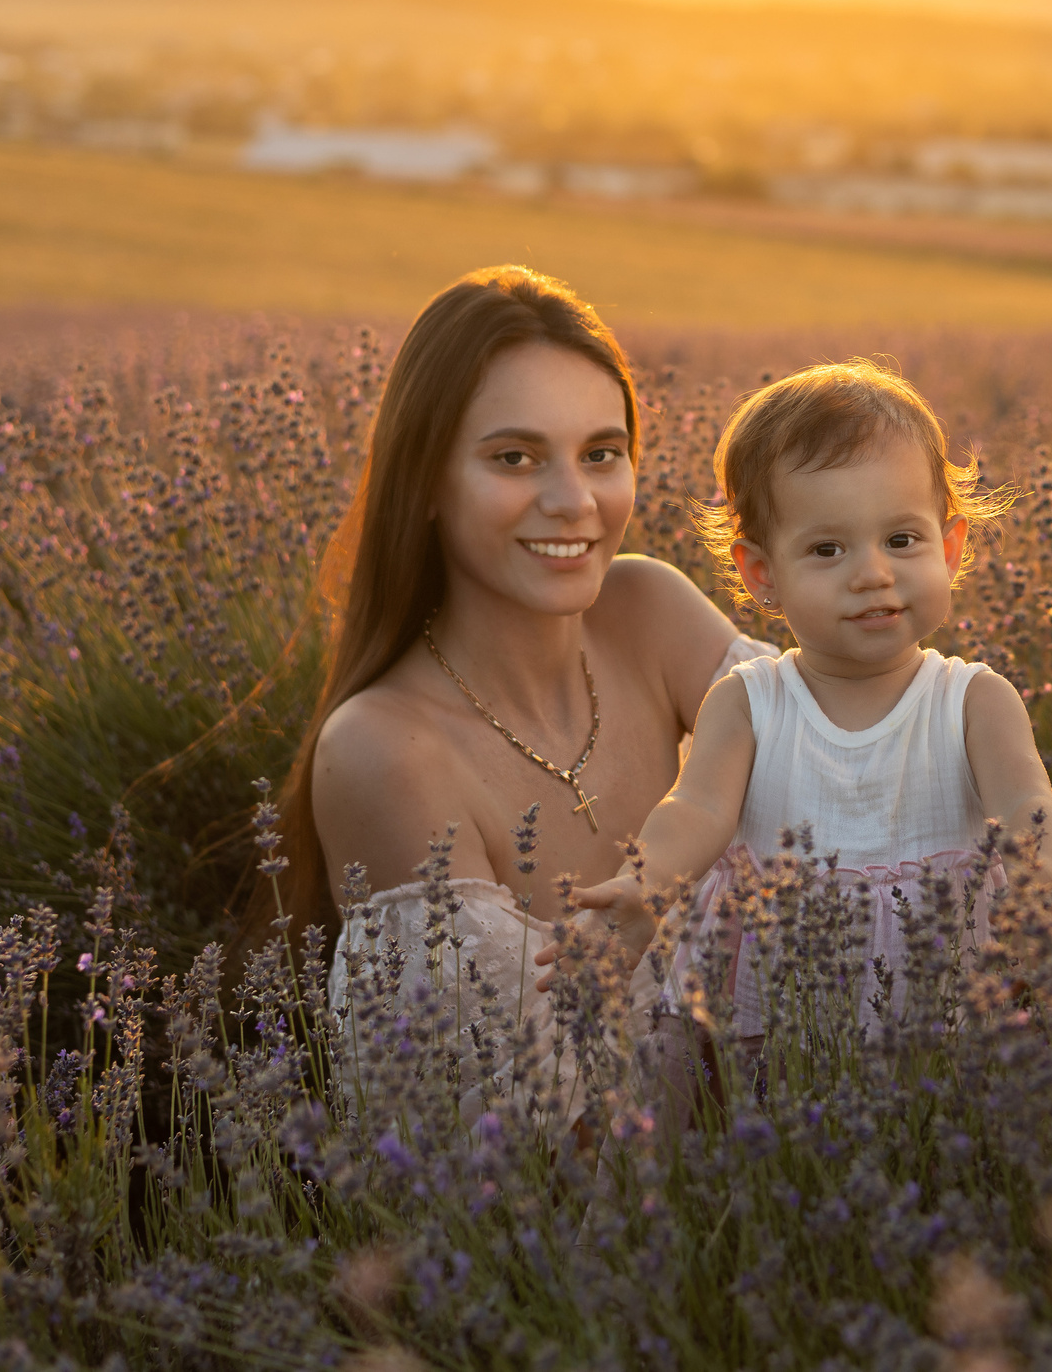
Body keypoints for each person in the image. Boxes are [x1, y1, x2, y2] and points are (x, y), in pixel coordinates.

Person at [275, 266, 769, 1115]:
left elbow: (858, 760)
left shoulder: (649, 611)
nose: (574, 501)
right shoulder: (384, 748)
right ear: (425, 481)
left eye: (601, 454)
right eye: (515, 457)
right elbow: (518, 1148)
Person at [550, 358, 1052, 1050]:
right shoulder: (751, 702)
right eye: (828, 548)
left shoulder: (973, 701)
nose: (873, 572)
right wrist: (645, 883)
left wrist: (1035, 886)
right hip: (781, 1012)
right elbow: (697, 809)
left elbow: (1032, 805)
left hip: (938, 1001)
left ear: (949, 548)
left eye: (901, 539)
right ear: (763, 573)